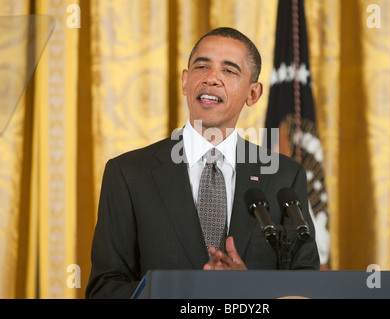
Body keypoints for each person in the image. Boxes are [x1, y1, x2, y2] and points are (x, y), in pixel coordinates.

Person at [86, 27, 320, 299]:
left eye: (229, 71)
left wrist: (249, 290)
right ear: (185, 81)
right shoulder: (128, 174)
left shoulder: (284, 177)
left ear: (253, 93)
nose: (211, 79)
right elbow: (105, 289)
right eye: (202, 66)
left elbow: (306, 286)